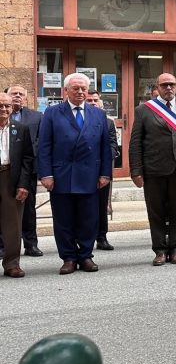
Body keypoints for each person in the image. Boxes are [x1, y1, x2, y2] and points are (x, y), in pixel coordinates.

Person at [37, 73, 112, 274]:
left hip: (90, 175)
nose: (80, 92)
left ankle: (86, 256)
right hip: (62, 176)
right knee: (63, 220)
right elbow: (44, 146)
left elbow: (105, 147)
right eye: (75, 88)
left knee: (89, 219)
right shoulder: (52, 113)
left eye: (83, 89)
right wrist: (46, 174)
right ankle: (69, 257)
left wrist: (105, 173)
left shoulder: (98, 114)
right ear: (66, 91)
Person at [129, 73, 176, 266]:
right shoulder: (144, 110)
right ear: (157, 87)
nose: (168, 88)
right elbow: (136, 142)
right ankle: (160, 250)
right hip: (154, 169)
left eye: (171, 84)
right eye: (164, 85)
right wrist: (136, 171)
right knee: (156, 212)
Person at [5, 85, 43, 258]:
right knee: (4, 209)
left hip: (27, 170)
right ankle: (4, 246)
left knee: (28, 209)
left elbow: (40, 142)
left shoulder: (36, 117)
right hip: (4, 170)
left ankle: (30, 243)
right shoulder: (3, 114)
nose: (17, 96)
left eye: (21, 94)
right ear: (6, 96)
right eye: (14, 93)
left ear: (26, 99)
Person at [0, 92, 34, 278]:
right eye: (0, 106)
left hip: (10, 179)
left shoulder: (20, 128)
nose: (4, 109)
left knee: (13, 225)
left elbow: (28, 159)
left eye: (7, 106)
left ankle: (12, 264)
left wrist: (24, 184)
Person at [87, 90, 119, 251]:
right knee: (84, 207)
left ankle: (102, 237)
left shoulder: (109, 122)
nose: (93, 102)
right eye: (89, 100)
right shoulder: (78, 120)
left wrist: (105, 158)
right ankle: (84, 238)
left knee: (101, 205)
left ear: (100, 102)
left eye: (95, 100)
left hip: (102, 172)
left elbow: (113, 144)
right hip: (83, 171)